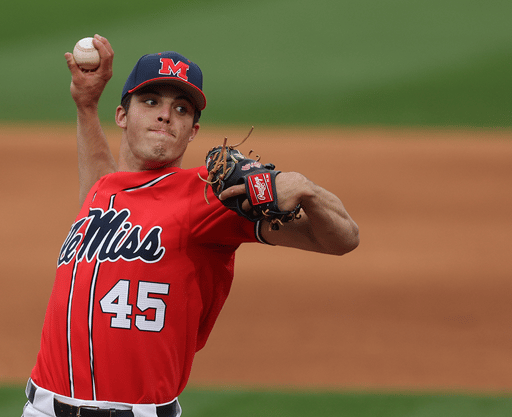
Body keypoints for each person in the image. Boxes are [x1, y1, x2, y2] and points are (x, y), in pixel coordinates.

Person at [22, 35, 360, 417]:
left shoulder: (208, 196)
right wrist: (86, 106)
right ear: (122, 116)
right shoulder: (106, 193)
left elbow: (342, 240)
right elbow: (99, 193)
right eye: (151, 102)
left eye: (182, 109)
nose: (166, 115)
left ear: (193, 132)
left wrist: (305, 189)